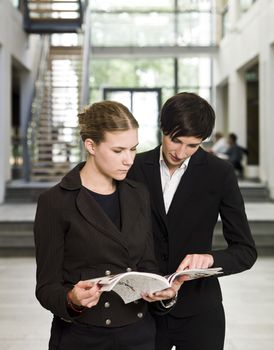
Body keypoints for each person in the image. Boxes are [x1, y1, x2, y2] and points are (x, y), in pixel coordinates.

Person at [34, 100, 182, 350]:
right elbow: (47, 287)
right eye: (118, 151)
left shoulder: (139, 194)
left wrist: (163, 291)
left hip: (139, 335)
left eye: (133, 149)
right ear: (90, 145)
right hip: (81, 337)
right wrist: (72, 298)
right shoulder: (55, 201)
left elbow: (147, 263)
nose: (129, 160)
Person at [127, 92, 257, 350]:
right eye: (176, 140)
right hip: (142, 311)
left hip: (200, 312)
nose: (181, 152)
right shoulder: (132, 168)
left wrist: (210, 259)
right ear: (162, 128)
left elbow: (245, 251)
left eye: (193, 145)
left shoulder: (220, 173)